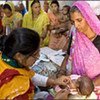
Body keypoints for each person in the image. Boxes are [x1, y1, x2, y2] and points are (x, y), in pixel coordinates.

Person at [0, 28, 70, 99]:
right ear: (19, 56)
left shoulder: (6, 58)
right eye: (35, 54)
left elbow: (30, 76)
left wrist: (54, 81)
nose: (38, 56)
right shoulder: (17, 86)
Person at [58, 1, 100, 97]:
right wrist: (61, 72)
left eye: (79, 20)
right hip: (73, 82)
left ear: (88, 17)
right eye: (73, 22)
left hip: (93, 86)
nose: (76, 25)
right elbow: (68, 54)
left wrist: (88, 87)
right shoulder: (75, 34)